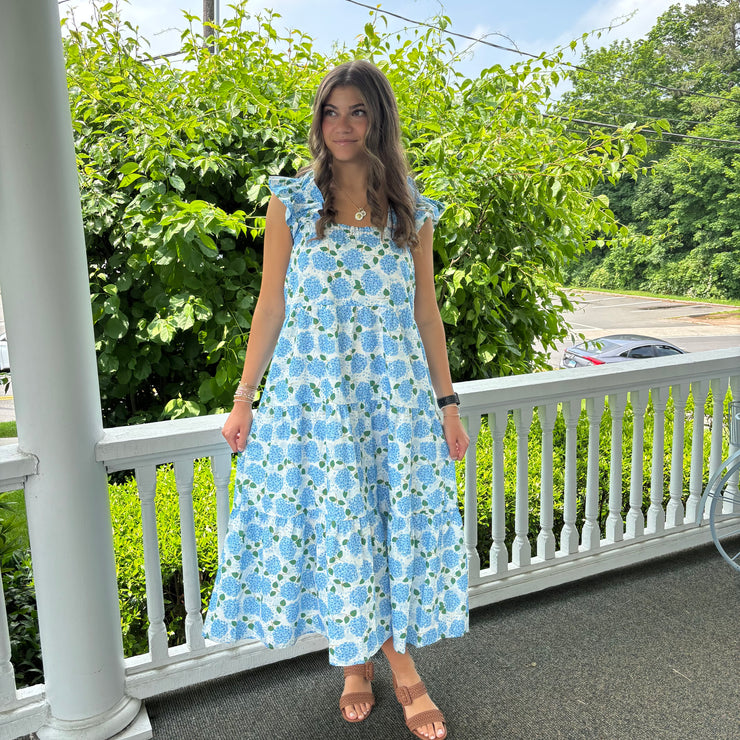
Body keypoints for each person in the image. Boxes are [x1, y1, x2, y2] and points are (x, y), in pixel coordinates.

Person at [203, 59, 469, 740]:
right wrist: (243, 397)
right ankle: (368, 665)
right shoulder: (292, 203)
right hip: (316, 403)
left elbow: (427, 313)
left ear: (379, 120)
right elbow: (270, 305)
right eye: (331, 111)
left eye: (357, 111)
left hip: (395, 401)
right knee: (340, 525)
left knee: (384, 523)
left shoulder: (411, 210)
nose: (342, 125)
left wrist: (447, 404)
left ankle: (386, 662)